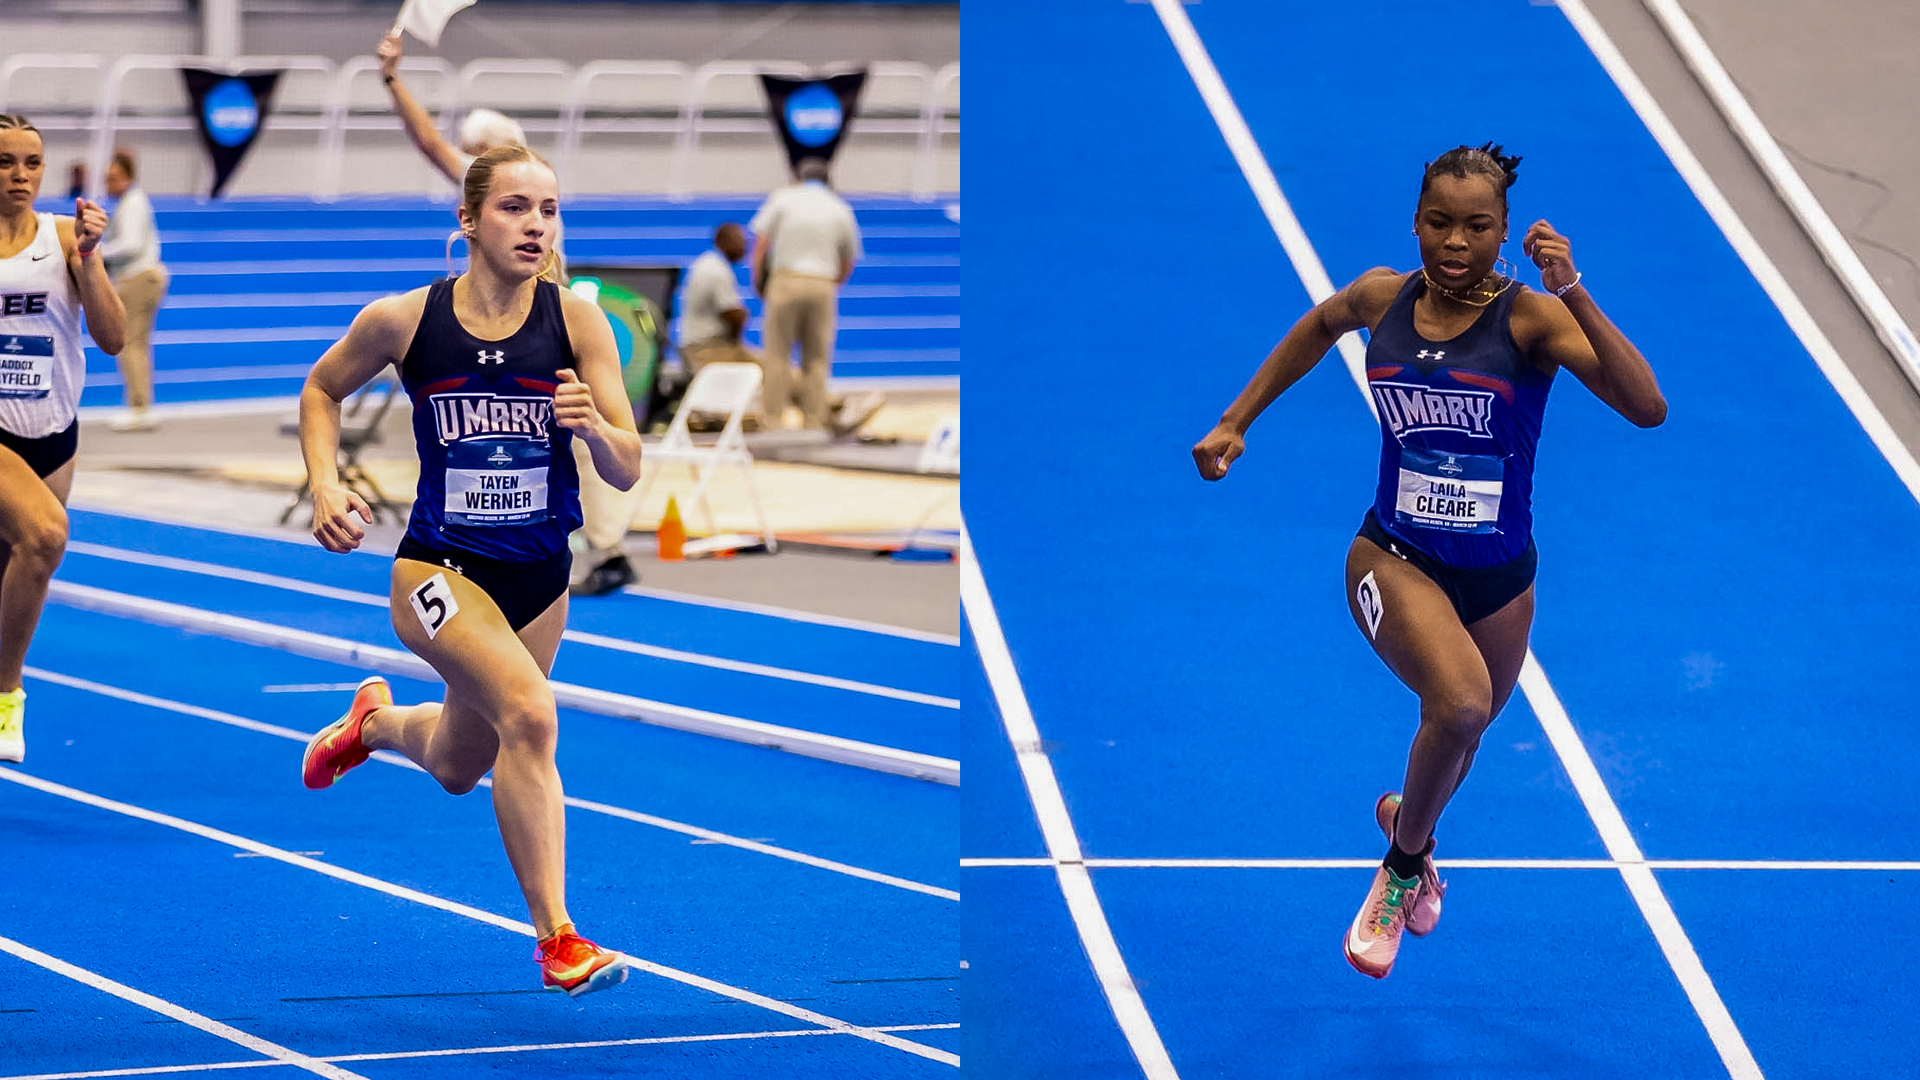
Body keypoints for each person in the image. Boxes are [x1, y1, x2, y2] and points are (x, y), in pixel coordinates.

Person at [1191, 144, 1666, 980]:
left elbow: (1647, 407)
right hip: (1392, 554)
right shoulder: (1384, 299)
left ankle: (1407, 823)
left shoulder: (1530, 320)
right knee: (1459, 702)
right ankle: (1398, 873)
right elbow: (1320, 323)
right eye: (1439, 223)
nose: (1455, 241)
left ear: (1505, 232)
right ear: (1415, 222)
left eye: (1477, 227)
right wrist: (1238, 419)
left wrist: (1573, 292)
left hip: (1500, 575)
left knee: (1464, 729)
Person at [297, 143, 643, 996]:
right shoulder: (407, 320)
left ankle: (372, 726)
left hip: (540, 576)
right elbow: (320, 389)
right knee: (531, 716)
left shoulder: (578, 323)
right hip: (438, 571)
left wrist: (594, 426)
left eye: (550, 210)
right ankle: (559, 939)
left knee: (457, 765)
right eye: (516, 208)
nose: (536, 226)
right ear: (469, 220)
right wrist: (323, 485)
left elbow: (629, 466)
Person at [374, 30, 643, 594]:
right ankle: (590, 544)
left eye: (477, 149)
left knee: (584, 437)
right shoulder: (514, 195)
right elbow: (433, 147)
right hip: (501, 326)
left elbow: (430, 145)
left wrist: (394, 79)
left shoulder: (519, 194)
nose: (534, 221)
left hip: (543, 330)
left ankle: (604, 544)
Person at [0, 115, 126, 763]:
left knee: (14, 573)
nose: (20, 175)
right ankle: (8, 696)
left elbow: (112, 339)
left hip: (53, 432)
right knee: (46, 536)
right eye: (5, 162)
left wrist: (88, 257)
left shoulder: (62, 237)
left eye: (31, 163)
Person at [748, 157, 868, 432]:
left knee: (777, 354)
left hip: (785, 278)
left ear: (797, 178)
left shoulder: (782, 199)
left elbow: (761, 243)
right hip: (822, 281)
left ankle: (773, 421)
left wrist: (759, 279)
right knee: (817, 357)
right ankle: (813, 421)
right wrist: (831, 283)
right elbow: (848, 258)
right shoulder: (840, 208)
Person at [100, 149, 168, 432]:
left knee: (131, 344)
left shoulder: (132, 203)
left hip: (138, 278)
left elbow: (130, 244)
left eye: (114, 178)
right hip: (143, 276)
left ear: (127, 178)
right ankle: (140, 405)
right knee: (136, 344)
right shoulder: (133, 202)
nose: (108, 185)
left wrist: (95, 251)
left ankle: (139, 407)